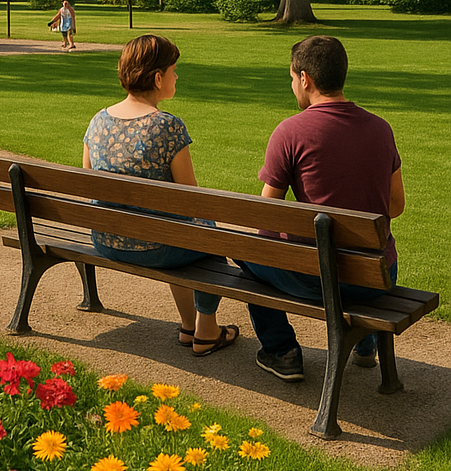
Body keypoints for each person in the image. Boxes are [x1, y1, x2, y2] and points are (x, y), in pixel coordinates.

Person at [238, 36, 405, 382]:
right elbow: (397, 205)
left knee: (248, 262)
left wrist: (272, 247)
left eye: (291, 79)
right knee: (370, 254)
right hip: (377, 277)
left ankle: (282, 352)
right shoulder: (381, 129)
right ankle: (365, 344)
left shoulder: (290, 132)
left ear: (305, 79)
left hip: (316, 277)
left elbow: (267, 212)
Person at [84, 34, 238, 356]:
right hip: (154, 246)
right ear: (158, 78)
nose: (177, 76)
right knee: (207, 239)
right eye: (174, 70)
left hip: (106, 239)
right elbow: (190, 199)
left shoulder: (98, 122)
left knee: (176, 228)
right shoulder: (168, 127)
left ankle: (187, 325)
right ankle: (206, 331)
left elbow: (88, 183)